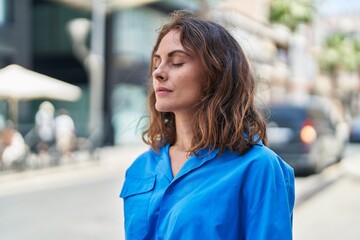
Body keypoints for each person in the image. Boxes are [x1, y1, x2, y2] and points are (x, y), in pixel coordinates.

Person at [120, 10, 295, 240]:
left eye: (177, 62)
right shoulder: (141, 166)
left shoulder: (258, 167)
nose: (159, 73)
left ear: (215, 74)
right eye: (157, 63)